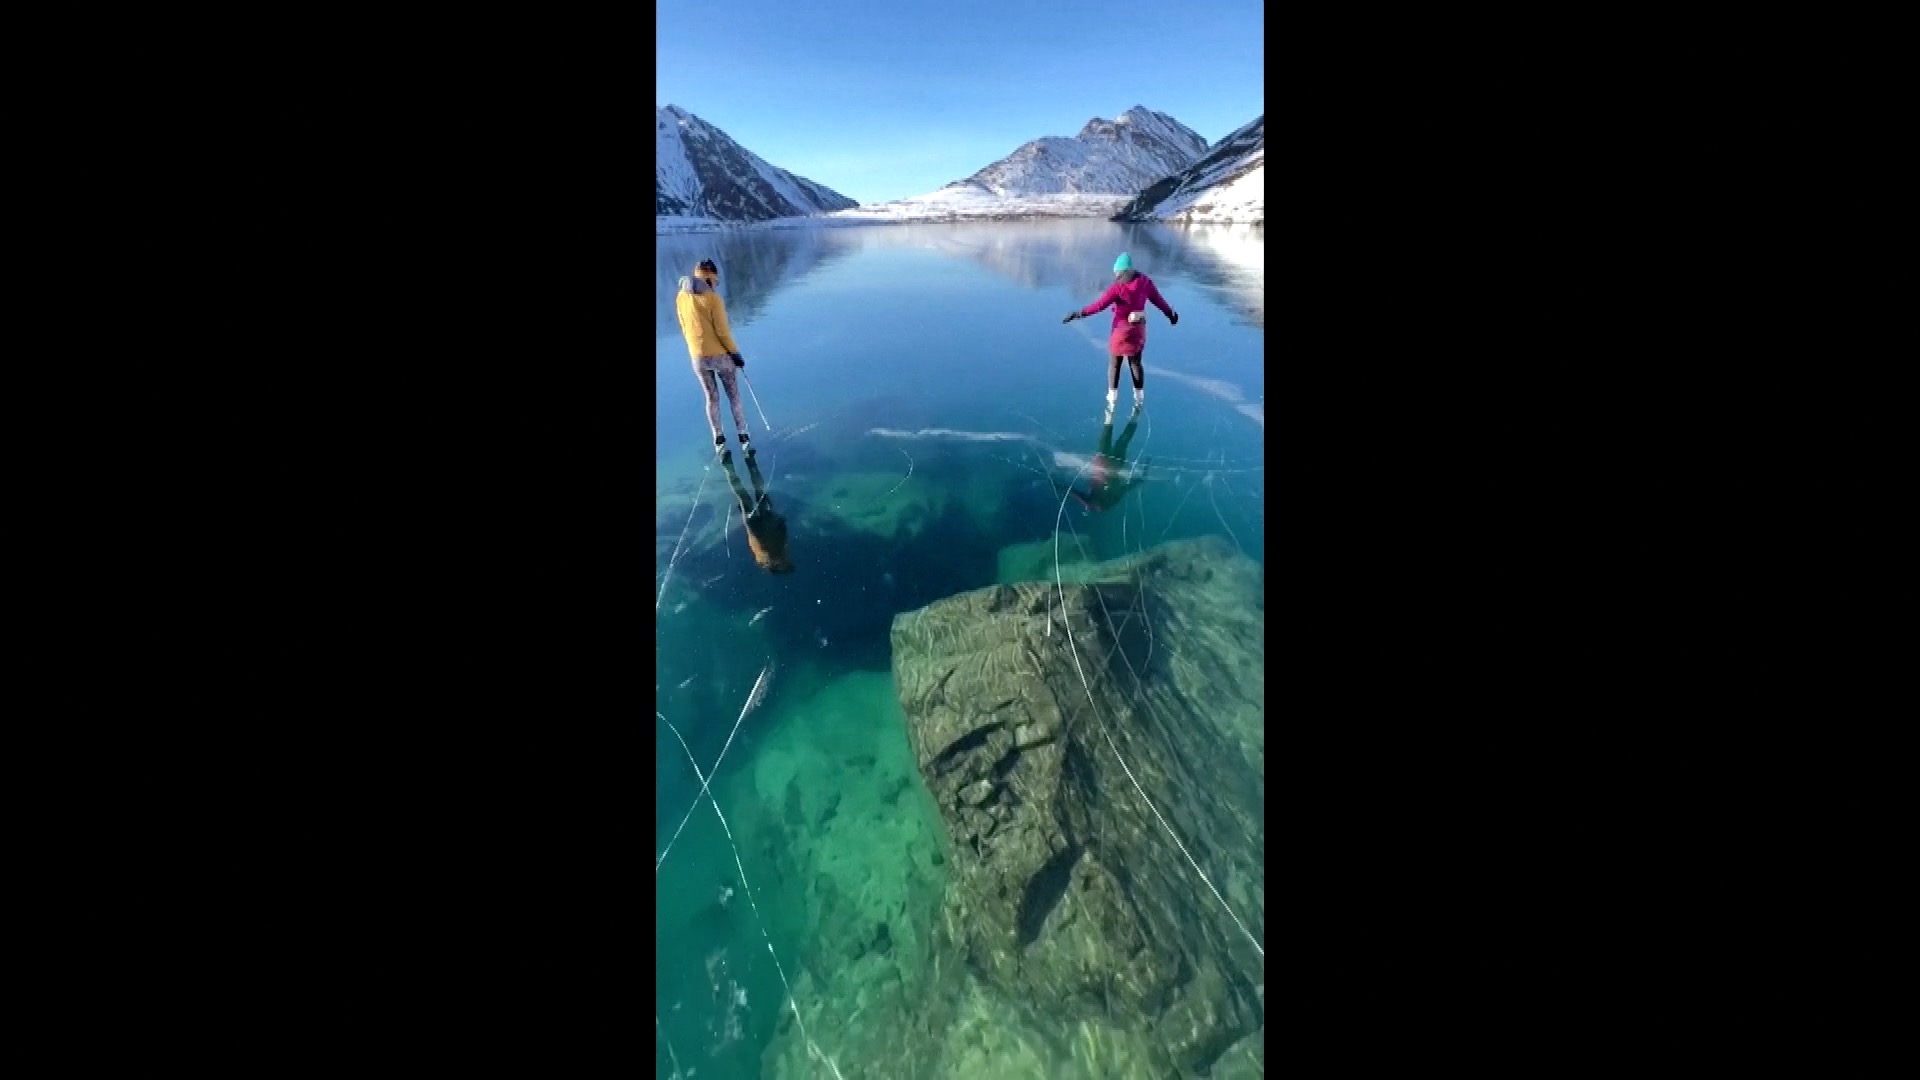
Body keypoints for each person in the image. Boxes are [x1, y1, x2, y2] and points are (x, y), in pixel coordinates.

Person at [1062, 252, 1178, 408]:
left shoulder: (1117, 288)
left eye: (1118, 273)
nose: (1116, 276)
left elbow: (1098, 306)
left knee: (1114, 364)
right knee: (1135, 363)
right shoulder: (1145, 282)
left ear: (1124, 272)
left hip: (1120, 332)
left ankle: (1112, 396)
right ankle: (1139, 396)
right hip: (1138, 331)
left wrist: (1078, 313)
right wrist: (1171, 314)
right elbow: (1159, 301)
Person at [676, 259, 754, 458]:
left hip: (698, 357)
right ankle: (743, 435)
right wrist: (735, 354)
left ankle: (718, 438)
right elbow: (722, 331)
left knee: (711, 397)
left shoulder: (681, 296)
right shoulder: (713, 299)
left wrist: (695, 350)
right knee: (733, 395)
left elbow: (684, 328)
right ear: (710, 278)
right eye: (715, 280)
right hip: (720, 356)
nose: (715, 284)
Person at [1066, 409, 1149, 513]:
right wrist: (1060, 487)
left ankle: (1133, 417)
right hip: (1104, 463)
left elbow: (1127, 487)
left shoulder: (1111, 499)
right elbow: (1075, 494)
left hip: (1114, 464)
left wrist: (1140, 478)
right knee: (1110, 440)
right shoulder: (1095, 502)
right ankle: (1114, 416)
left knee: (1122, 442)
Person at [722, 454, 793, 574]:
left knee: (744, 493)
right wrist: (779, 521)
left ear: (779, 566)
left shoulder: (767, 556)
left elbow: (757, 539)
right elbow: (780, 533)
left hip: (757, 523)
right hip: (761, 522)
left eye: (785, 564)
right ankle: (744, 462)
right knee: (753, 492)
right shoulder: (770, 556)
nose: (787, 561)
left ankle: (730, 464)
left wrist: (777, 521)